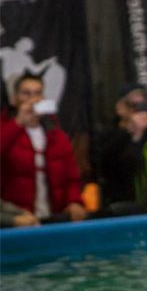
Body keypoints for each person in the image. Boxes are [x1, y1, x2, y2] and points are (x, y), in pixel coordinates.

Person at [0, 73, 86, 224]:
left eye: (38, 93)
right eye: (26, 93)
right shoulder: (6, 129)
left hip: (53, 217)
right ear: (14, 99)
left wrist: (74, 201)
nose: (33, 99)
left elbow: (72, 176)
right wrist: (18, 122)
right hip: (18, 218)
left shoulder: (57, 136)